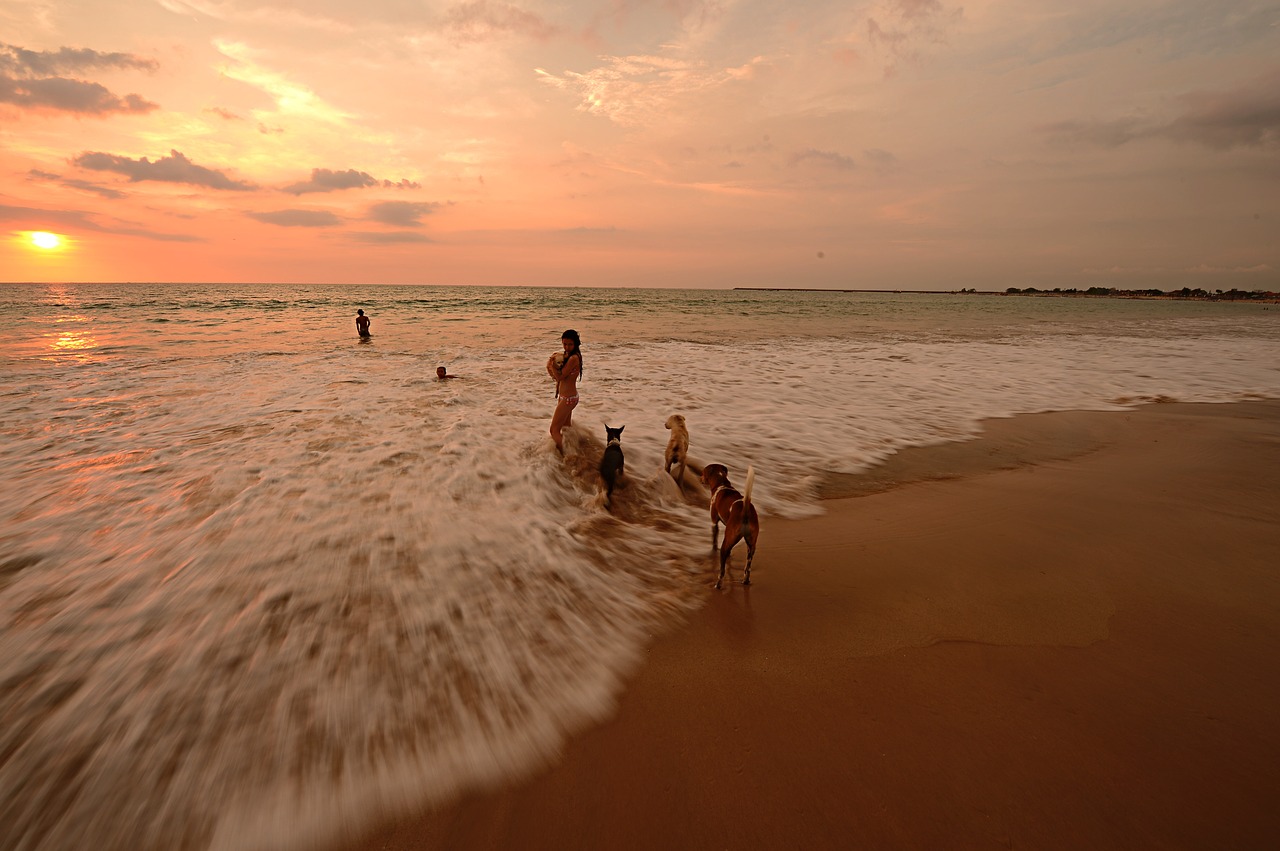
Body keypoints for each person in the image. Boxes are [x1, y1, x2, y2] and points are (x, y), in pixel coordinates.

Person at [546, 329, 582, 453]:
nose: (567, 347)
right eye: (564, 344)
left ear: (576, 344)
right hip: (566, 397)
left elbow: (560, 377)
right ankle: (572, 449)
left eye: (570, 344)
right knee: (566, 428)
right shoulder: (567, 356)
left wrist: (551, 365)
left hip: (568, 399)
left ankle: (568, 455)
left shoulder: (573, 358)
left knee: (554, 430)